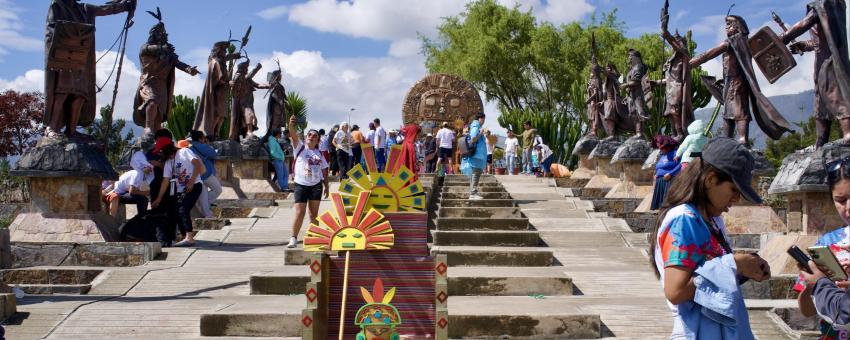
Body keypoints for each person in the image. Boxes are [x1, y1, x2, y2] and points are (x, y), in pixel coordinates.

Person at [650, 137, 771, 338]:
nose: (736, 198)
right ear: (710, 179)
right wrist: (734, 264)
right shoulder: (684, 220)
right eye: (733, 189)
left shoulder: (712, 220)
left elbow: (705, 274)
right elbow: (676, 291)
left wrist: (744, 268)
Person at [793, 155, 850, 339]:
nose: (848, 207)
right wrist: (812, 284)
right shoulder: (825, 244)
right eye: (841, 200)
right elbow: (807, 310)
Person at [152, 143, 205, 247]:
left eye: (160, 151)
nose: (159, 154)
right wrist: (158, 199)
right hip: (182, 190)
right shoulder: (168, 162)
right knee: (177, 211)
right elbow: (165, 181)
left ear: (165, 149)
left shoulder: (184, 152)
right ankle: (186, 236)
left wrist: (191, 181)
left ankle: (189, 237)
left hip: (195, 185)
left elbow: (197, 164)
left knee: (183, 209)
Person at [287, 116, 329, 248]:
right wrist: (291, 124)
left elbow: (324, 169)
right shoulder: (300, 147)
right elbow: (293, 135)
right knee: (300, 212)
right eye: (309, 134)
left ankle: (314, 238)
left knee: (313, 214)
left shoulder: (319, 153)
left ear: (317, 140)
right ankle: (293, 238)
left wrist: (326, 186)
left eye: (314, 135)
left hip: (316, 185)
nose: (311, 136)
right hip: (301, 184)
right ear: (306, 137)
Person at [188, 130, 220, 218]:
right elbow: (213, 154)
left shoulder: (190, 148)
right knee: (218, 189)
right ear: (200, 138)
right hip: (206, 174)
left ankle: (207, 213)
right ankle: (204, 207)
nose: (205, 139)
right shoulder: (202, 146)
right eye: (203, 138)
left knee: (203, 195)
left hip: (198, 175)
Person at [461, 112, 488, 200]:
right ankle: (473, 193)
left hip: (478, 154)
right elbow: (473, 139)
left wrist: (484, 134)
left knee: (475, 173)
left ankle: (473, 192)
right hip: (477, 154)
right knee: (476, 172)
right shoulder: (476, 126)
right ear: (480, 118)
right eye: (483, 119)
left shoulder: (476, 126)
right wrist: (480, 133)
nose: (484, 121)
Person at [650, 135, 681, 210]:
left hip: (669, 181)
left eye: (662, 148)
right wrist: (656, 174)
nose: (660, 150)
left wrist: (671, 173)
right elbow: (659, 167)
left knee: (667, 206)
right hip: (660, 183)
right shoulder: (662, 155)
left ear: (668, 146)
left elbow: (681, 164)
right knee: (660, 208)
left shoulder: (676, 153)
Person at [267, 128, 290, 192]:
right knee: (281, 175)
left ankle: (285, 186)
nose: (281, 134)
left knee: (285, 173)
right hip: (277, 160)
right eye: (280, 133)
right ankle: (283, 188)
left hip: (280, 160)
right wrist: (280, 156)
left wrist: (282, 154)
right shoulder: (272, 141)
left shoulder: (275, 140)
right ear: (277, 134)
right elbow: (273, 152)